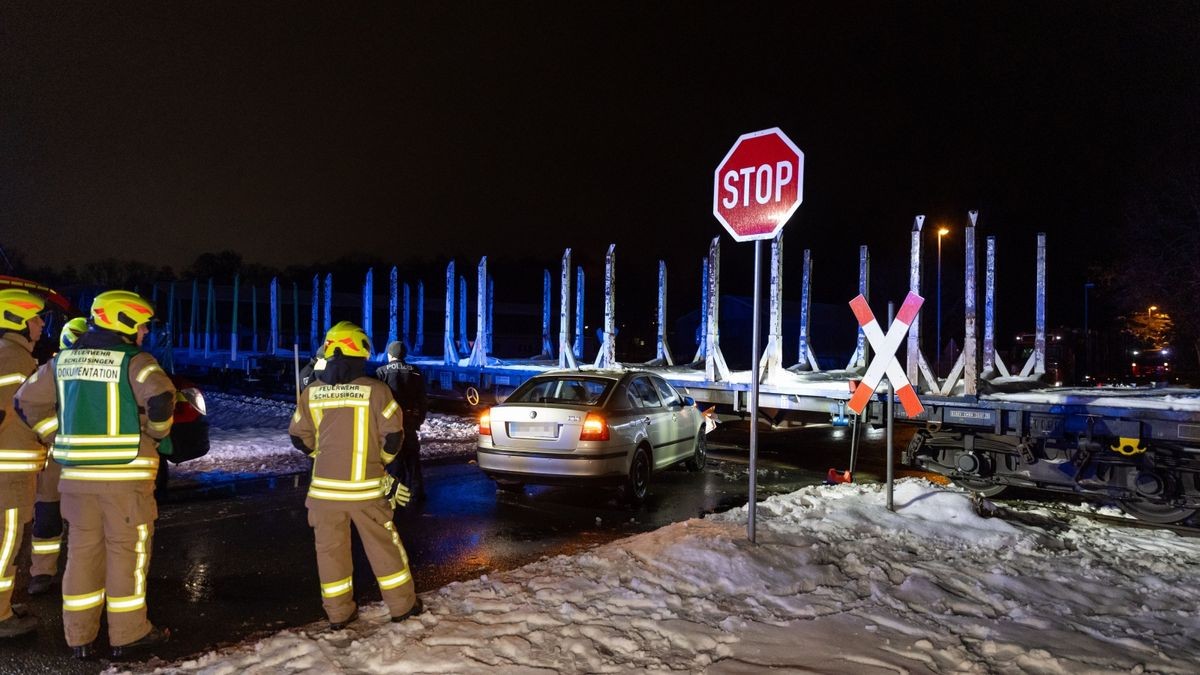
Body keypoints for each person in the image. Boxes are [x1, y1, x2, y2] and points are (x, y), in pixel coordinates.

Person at [14, 291, 176, 660]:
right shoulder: (136, 361)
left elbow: (24, 400)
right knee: (126, 555)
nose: (145, 331)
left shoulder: (63, 362)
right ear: (122, 322)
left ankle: (79, 637)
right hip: (126, 481)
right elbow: (162, 399)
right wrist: (158, 432)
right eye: (141, 323)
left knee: (82, 555)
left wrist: (57, 434)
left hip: (75, 481)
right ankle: (129, 634)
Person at [288, 322, 423, 629]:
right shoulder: (377, 391)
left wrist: (323, 457)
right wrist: (379, 463)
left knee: (330, 553)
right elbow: (393, 438)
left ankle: (338, 614)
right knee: (384, 548)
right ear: (360, 351)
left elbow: (299, 437)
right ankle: (403, 607)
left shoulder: (311, 393)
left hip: (323, 494)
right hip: (366, 491)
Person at [26, 316, 87, 597]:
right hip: (55, 461)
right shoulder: (53, 370)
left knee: (84, 523)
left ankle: (80, 574)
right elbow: (31, 405)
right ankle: (42, 572)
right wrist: (55, 436)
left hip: (84, 462)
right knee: (48, 518)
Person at [0, 289, 47, 638]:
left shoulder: (10, 356)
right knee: (5, 544)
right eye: (35, 318)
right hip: (8, 474)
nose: (41, 324)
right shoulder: (15, 361)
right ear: (17, 320)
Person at [374, 340, 428, 503]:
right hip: (410, 421)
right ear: (404, 354)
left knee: (393, 458)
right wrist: (418, 420)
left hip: (390, 424)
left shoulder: (381, 372)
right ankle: (417, 493)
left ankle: (395, 494)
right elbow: (423, 400)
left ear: (390, 355)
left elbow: (377, 401)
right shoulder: (416, 372)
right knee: (412, 458)